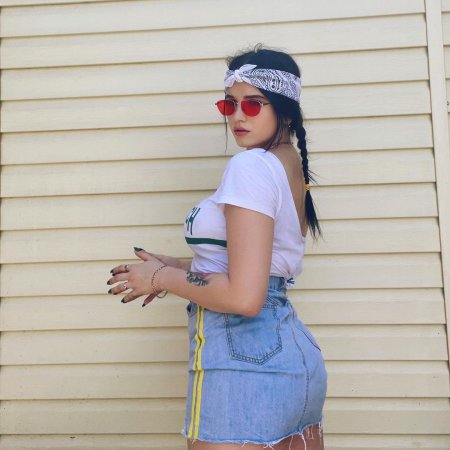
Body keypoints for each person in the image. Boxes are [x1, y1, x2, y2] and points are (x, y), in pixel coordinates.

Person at [107, 44, 327, 450]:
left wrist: (162, 277)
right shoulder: (286, 161)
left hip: (245, 359)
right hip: (289, 355)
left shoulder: (251, 165)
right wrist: (178, 266)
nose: (238, 116)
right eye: (229, 104)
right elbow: (258, 267)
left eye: (253, 104)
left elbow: (244, 297)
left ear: (286, 111)